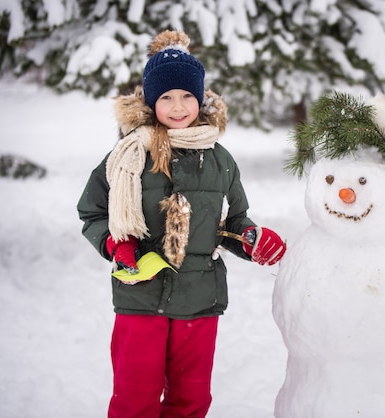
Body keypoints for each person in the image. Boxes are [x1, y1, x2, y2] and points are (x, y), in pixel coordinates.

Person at [77, 30, 286, 418]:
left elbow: (235, 220)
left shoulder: (220, 159)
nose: (177, 106)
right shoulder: (127, 156)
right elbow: (92, 211)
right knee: (134, 400)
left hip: (199, 299)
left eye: (187, 95)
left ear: (201, 99)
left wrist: (254, 239)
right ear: (151, 100)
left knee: (190, 402)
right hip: (139, 295)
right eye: (167, 97)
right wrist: (115, 245)